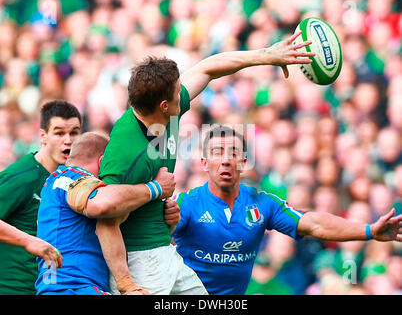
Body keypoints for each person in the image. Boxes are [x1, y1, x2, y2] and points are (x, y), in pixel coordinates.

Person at [96, 31, 316, 295]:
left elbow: (208, 68)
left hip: (165, 252)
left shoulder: (163, 114)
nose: (184, 92)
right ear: (164, 105)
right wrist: (125, 283)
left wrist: (267, 55)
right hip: (139, 264)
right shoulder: (127, 151)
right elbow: (104, 215)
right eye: (179, 91)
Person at [170, 125, 402, 295]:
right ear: (203, 163)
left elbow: (314, 223)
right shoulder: (186, 204)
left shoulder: (262, 204)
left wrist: (370, 231)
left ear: (243, 162)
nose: (226, 160)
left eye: (233, 153)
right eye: (217, 152)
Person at [35, 132, 177, 295]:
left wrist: (169, 221)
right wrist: (156, 188)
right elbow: (103, 204)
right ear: (104, 162)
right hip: (71, 288)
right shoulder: (69, 177)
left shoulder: (57, 184)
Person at [0, 100, 81, 295]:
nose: (68, 140)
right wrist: (29, 241)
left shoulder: (78, 176)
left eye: (75, 133)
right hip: (15, 289)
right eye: (59, 133)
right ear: (43, 136)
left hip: (56, 288)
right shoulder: (22, 177)